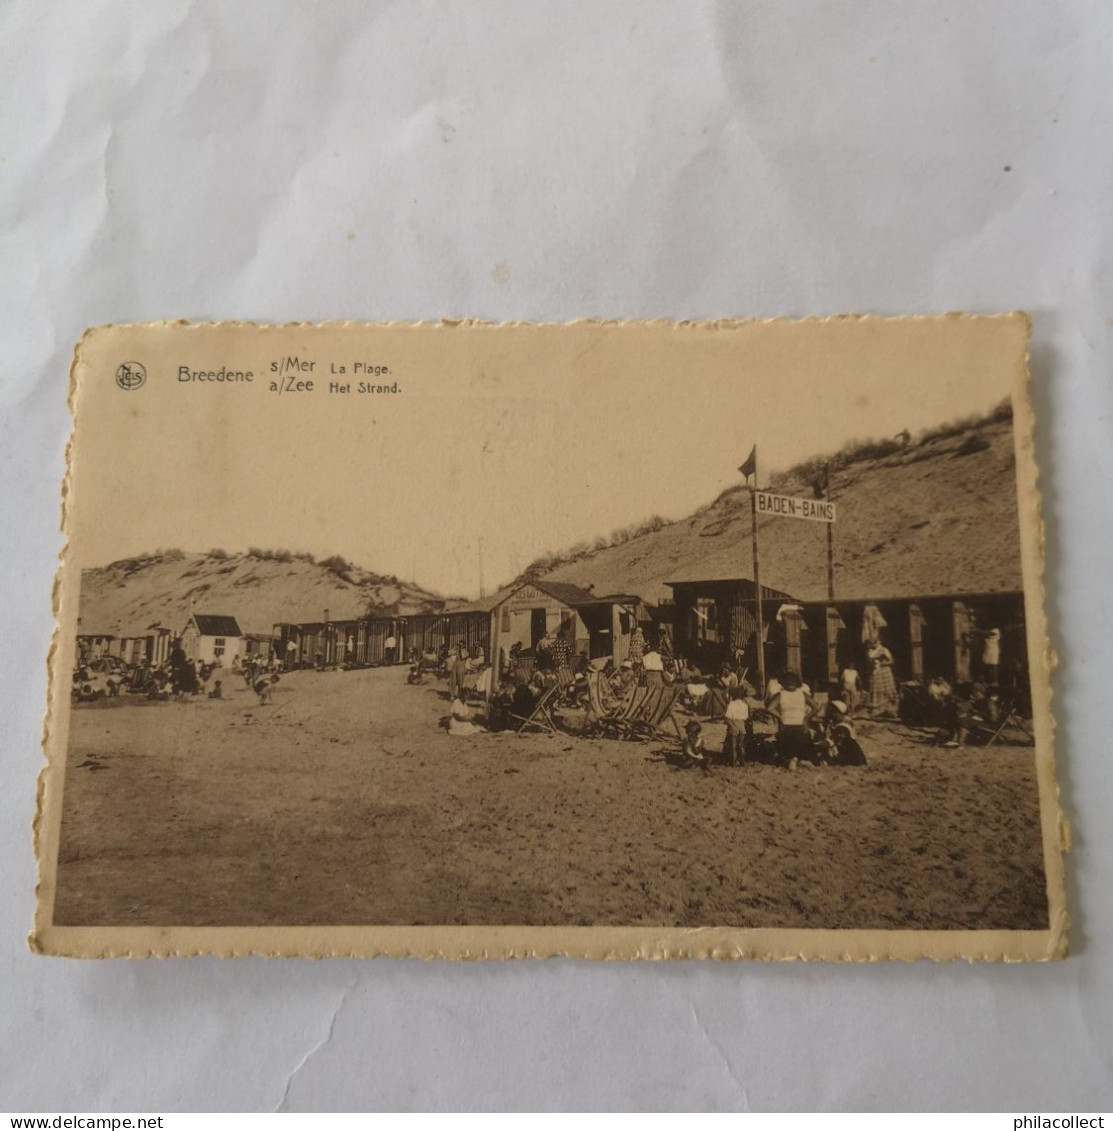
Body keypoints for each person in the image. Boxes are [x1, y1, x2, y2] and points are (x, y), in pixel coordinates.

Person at [770, 671, 814, 764]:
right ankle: (800, 759)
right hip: (800, 725)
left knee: (785, 744)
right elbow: (817, 707)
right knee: (803, 740)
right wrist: (806, 718)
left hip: (786, 725)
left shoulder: (781, 694)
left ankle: (791, 758)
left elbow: (770, 708)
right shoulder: (802, 694)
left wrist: (780, 717)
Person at [866, 639, 899, 717]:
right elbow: (868, 662)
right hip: (875, 672)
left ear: (877, 643)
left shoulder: (884, 650)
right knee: (876, 689)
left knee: (887, 690)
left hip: (884, 672)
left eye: (873, 644)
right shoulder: (869, 651)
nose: (872, 646)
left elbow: (891, 661)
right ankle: (877, 710)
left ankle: (890, 710)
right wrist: (872, 664)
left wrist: (881, 663)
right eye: (871, 644)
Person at [723, 687, 751, 766]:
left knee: (733, 746)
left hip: (733, 725)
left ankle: (733, 762)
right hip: (742, 725)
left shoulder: (731, 704)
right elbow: (746, 717)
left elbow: (727, 718)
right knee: (741, 745)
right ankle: (742, 761)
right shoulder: (745, 705)